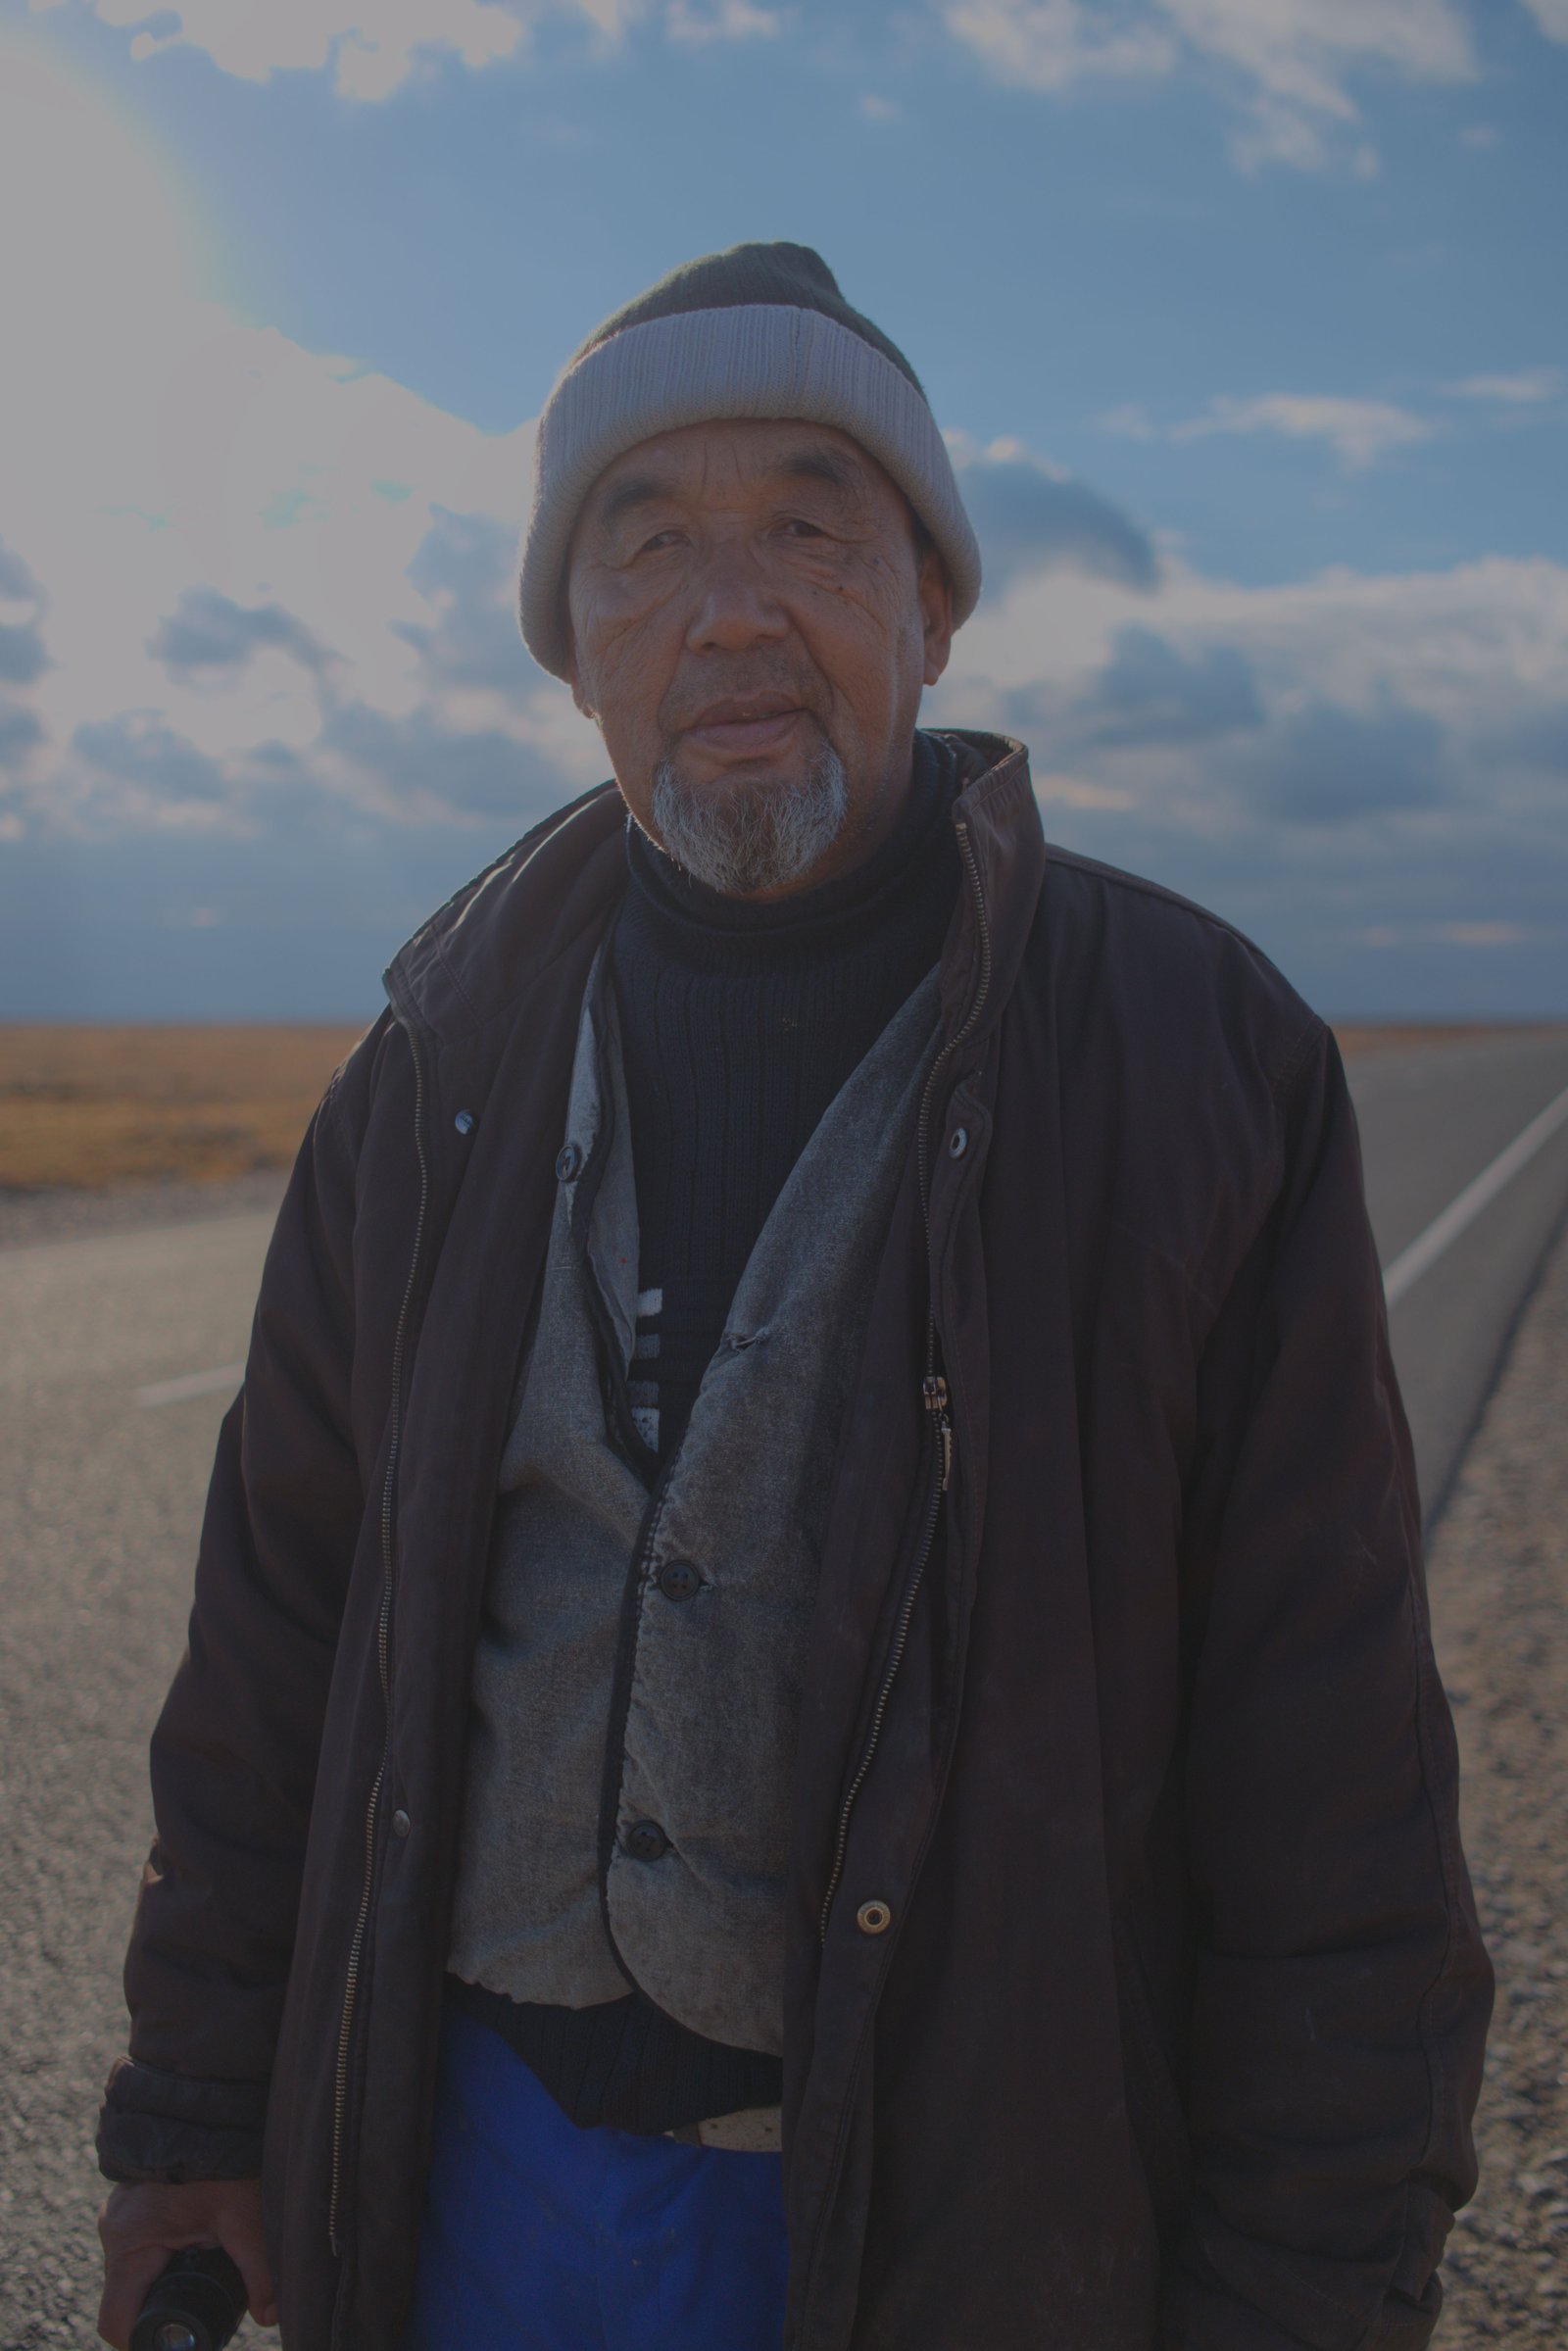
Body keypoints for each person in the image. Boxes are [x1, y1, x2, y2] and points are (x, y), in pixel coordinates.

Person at [96, 242, 1492, 2351]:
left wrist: (1311, 2285)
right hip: (473, 2188)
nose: (727, 609)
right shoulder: (429, 1075)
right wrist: (195, 2116)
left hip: (964, 2223)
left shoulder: (1197, 1060)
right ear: (571, 646)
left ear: (930, 604)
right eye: (643, 546)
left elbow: (1327, 1776)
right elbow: (274, 1656)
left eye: (810, 531)